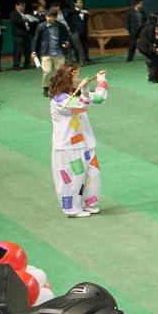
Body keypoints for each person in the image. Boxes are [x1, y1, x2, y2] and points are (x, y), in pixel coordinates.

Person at [48, 64, 107, 217]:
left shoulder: (76, 95)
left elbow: (99, 99)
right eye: (76, 76)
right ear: (68, 79)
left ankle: (89, 203)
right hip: (68, 147)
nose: (79, 78)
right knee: (72, 179)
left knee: (93, 175)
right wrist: (86, 90)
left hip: (86, 144)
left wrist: (101, 81)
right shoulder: (59, 99)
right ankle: (71, 209)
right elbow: (82, 106)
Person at [31, 9, 70, 96]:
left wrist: (65, 42)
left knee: (60, 73)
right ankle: (46, 87)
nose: (48, 18)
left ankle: (61, 88)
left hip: (59, 53)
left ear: (55, 17)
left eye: (51, 17)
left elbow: (67, 36)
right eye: (47, 16)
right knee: (47, 72)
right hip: (46, 53)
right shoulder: (41, 26)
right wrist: (33, 51)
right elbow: (36, 39)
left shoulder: (61, 26)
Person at [9, 1, 35, 70]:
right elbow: (15, 21)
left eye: (24, 6)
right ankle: (16, 65)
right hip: (18, 35)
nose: (23, 7)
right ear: (16, 6)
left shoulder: (25, 14)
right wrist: (25, 20)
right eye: (21, 6)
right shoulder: (13, 13)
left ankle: (27, 64)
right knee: (18, 50)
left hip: (26, 34)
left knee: (28, 50)